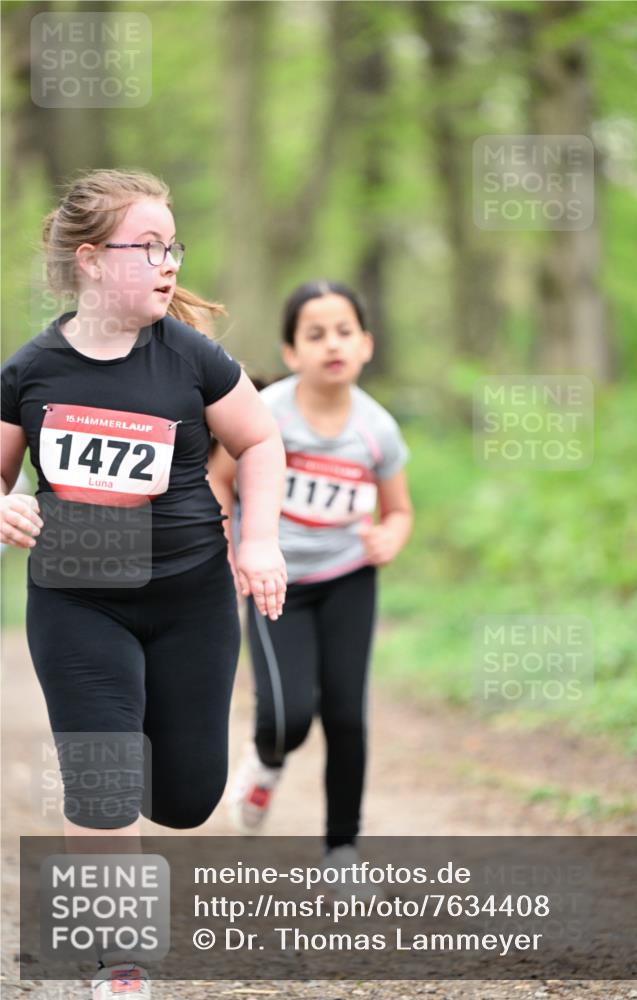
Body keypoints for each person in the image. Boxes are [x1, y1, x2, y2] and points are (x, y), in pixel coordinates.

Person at [0, 169, 287, 997]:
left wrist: (258, 541)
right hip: (77, 597)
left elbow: (262, 443)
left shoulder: (192, 357)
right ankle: (119, 961)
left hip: (190, 597)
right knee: (104, 770)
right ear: (91, 260)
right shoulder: (30, 372)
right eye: (149, 247)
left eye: (174, 247)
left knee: (186, 798)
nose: (169, 263)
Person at [209, 279, 413, 876]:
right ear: (292, 352)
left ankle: (342, 849)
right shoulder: (267, 413)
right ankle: (267, 759)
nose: (333, 344)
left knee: (347, 715)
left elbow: (398, 509)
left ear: (366, 345)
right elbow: (221, 479)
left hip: (349, 577)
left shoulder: (378, 430)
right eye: (315, 334)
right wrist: (233, 545)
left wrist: (390, 537)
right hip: (278, 580)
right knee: (288, 715)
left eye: (344, 332)